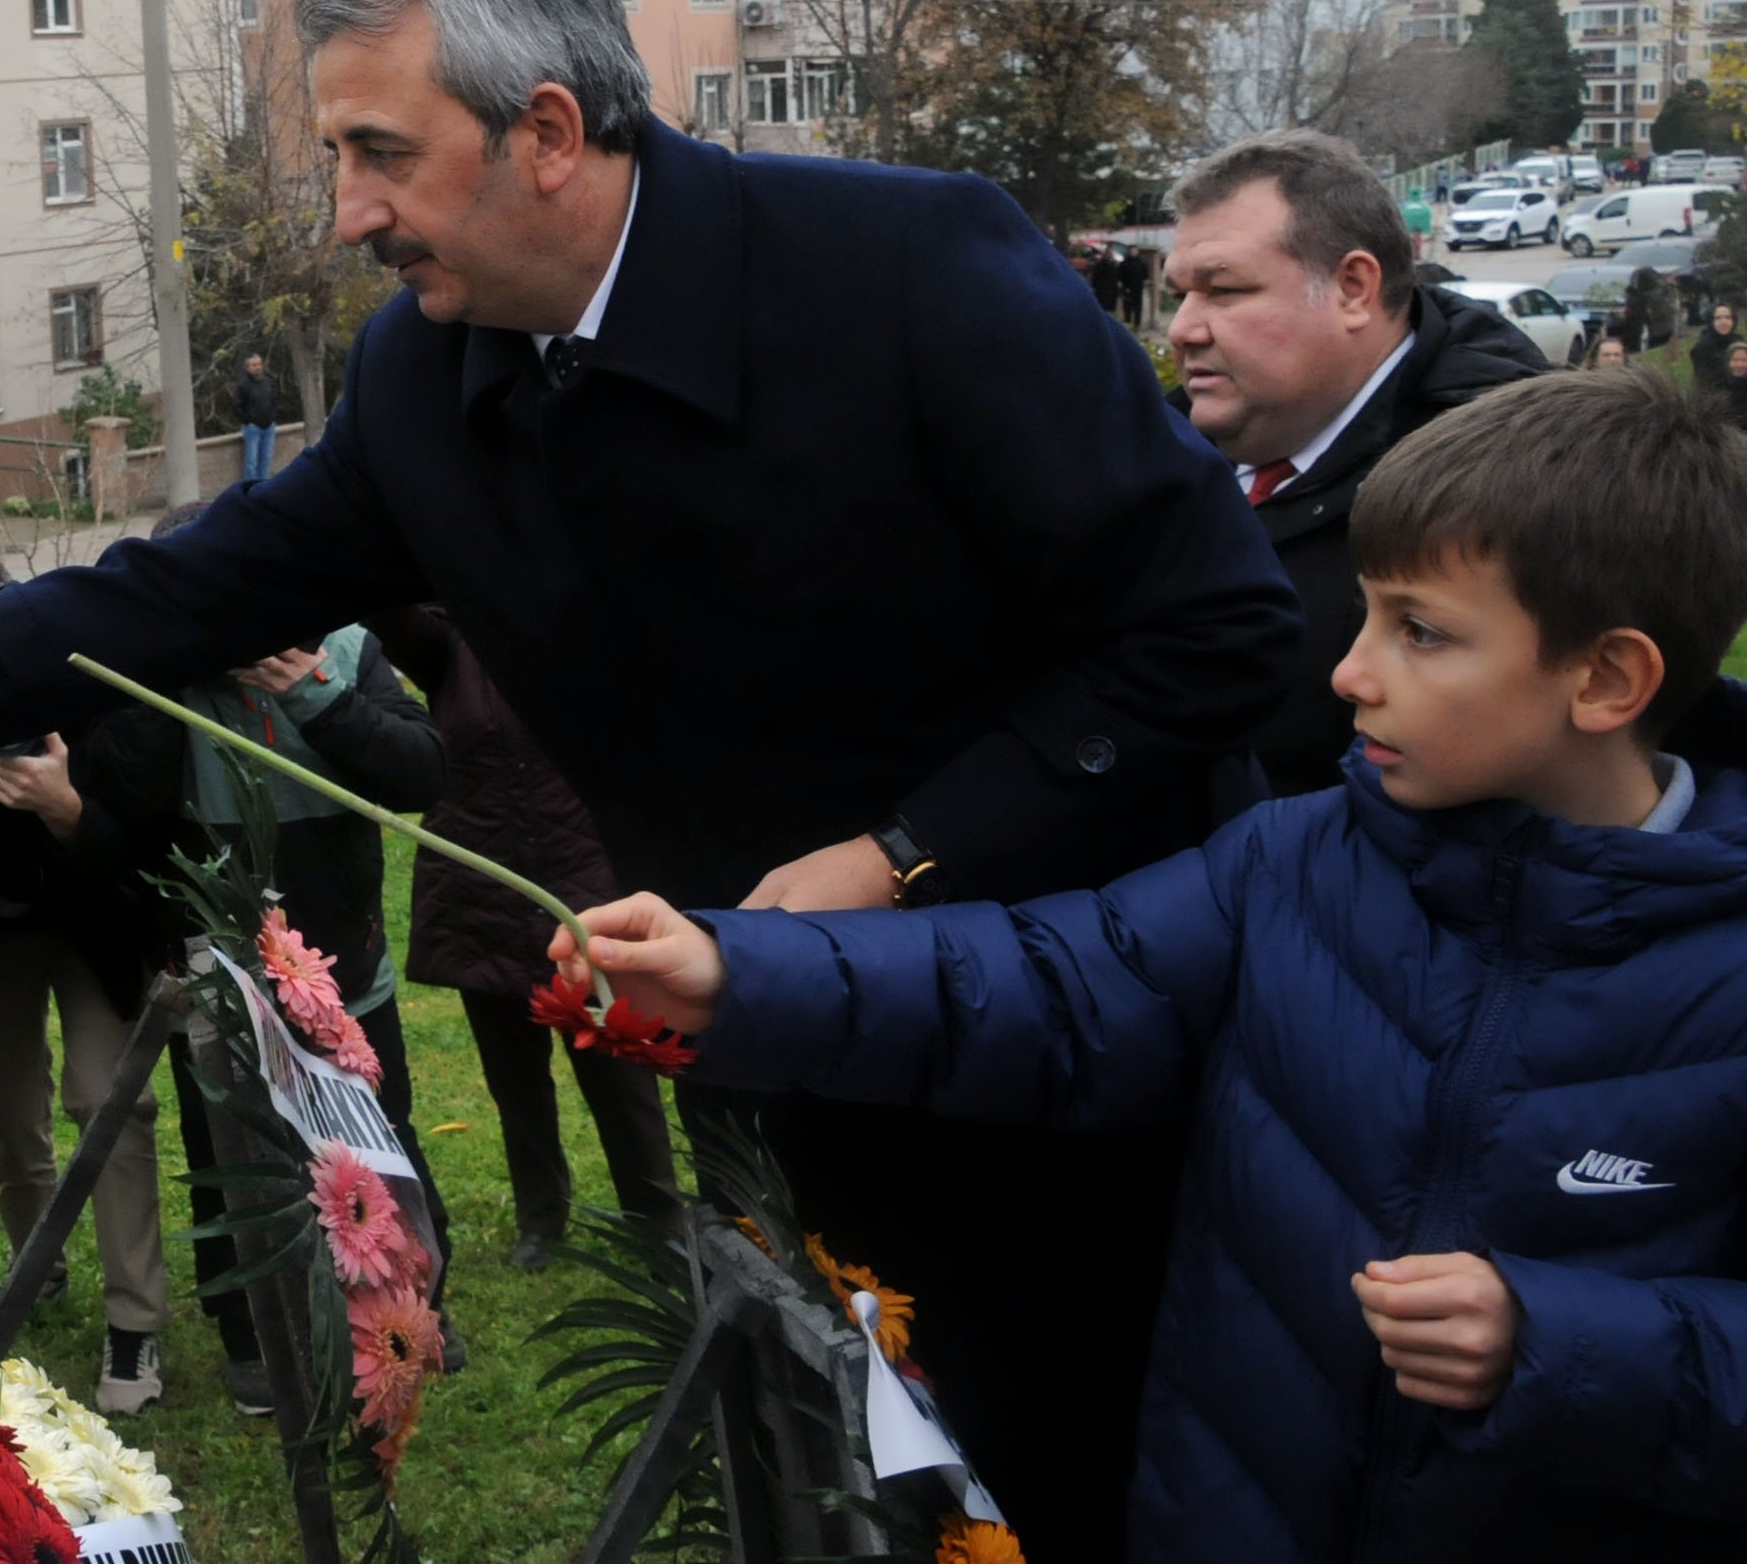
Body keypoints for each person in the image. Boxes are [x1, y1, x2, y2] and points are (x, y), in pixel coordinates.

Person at [0, 0, 1302, 1552]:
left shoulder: (909, 269)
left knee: (1122, 1478)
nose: (346, 216)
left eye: (377, 153)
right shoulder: (427, 375)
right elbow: (157, 600)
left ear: (544, 130)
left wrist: (900, 856)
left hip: (1090, 1060)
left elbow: (1217, 630)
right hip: (795, 1067)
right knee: (889, 1477)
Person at [564, 369, 1747, 1564]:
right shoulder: (1299, 861)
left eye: (1422, 632)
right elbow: (1052, 984)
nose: (1349, 672)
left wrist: (1555, 1343)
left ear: (1607, 679)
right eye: (1369, 616)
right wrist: (741, 973)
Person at [110, 504, 453, 1412]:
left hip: (344, 970)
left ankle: (411, 1306)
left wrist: (316, 695)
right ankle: (254, 1336)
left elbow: (423, 771)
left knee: (378, 1138)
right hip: (218, 983)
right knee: (230, 1154)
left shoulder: (341, 648)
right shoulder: (152, 673)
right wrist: (162, 669)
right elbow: (126, 805)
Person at [1163, 131, 1546, 796]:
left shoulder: (1509, 484)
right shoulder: (1152, 449)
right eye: (1180, 295)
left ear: (1352, 288)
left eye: (1223, 290)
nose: (1183, 329)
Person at [0, 550, 175, 1417]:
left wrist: (63, 805)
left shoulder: (94, 680)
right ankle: (36, 1266)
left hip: (95, 918)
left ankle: (135, 1320)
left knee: (110, 1100)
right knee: (1, 1100)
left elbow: (142, 840)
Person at [369, 602, 678, 1267]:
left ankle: (656, 1217)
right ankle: (541, 1217)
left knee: (617, 1068)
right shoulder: (449, 644)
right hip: (482, 889)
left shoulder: (588, 631)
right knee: (514, 1075)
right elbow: (388, 612)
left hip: (581, 878)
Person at [234, 353, 280, 484]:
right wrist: (248, 421)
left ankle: (264, 487)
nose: (258, 367)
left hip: (269, 427)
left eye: (259, 364)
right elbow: (237, 406)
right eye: (254, 365)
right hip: (252, 429)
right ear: (247, 367)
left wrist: (272, 417)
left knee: (266, 459)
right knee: (251, 462)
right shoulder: (243, 385)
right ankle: (250, 489)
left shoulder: (268, 382)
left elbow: (274, 400)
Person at [1690, 302, 1737, 399]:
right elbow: (1707, 383)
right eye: (1718, 318)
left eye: (1728, 317)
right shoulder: (1702, 349)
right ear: (1711, 321)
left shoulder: (1738, 343)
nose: (1724, 322)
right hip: (1719, 400)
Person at [1117, 241, 1154, 330]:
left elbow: (1145, 276)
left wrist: (1142, 283)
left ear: (1137, 251)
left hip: (1138, 289)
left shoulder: (1142, 263)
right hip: (1127, 289)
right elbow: (1119, 277)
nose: (1132, 252)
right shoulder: (1123, 263)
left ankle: (1137, 325)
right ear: (1128, 251)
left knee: (1138, 307)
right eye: (1131, 250)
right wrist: (1124, 287)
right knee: (1127, 307)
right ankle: (1128, 324)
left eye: (1134, 250)